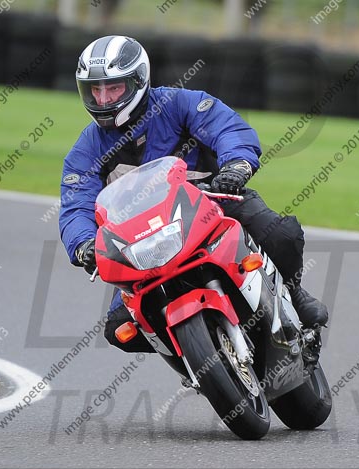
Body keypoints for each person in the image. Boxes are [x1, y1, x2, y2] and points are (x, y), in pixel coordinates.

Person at [59, 35, 327, 354]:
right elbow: (76, 204)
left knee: (281, 234)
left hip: (213, 206)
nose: (103, 99)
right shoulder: (87, 148)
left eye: (113, 88)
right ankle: (195, 359)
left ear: (138, 81)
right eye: (95, 90)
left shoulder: (180, 104)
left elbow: (227, 129)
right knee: (119, 329)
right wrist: (84, 244)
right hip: (142, 242)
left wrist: (236, 166)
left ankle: (294, 295)